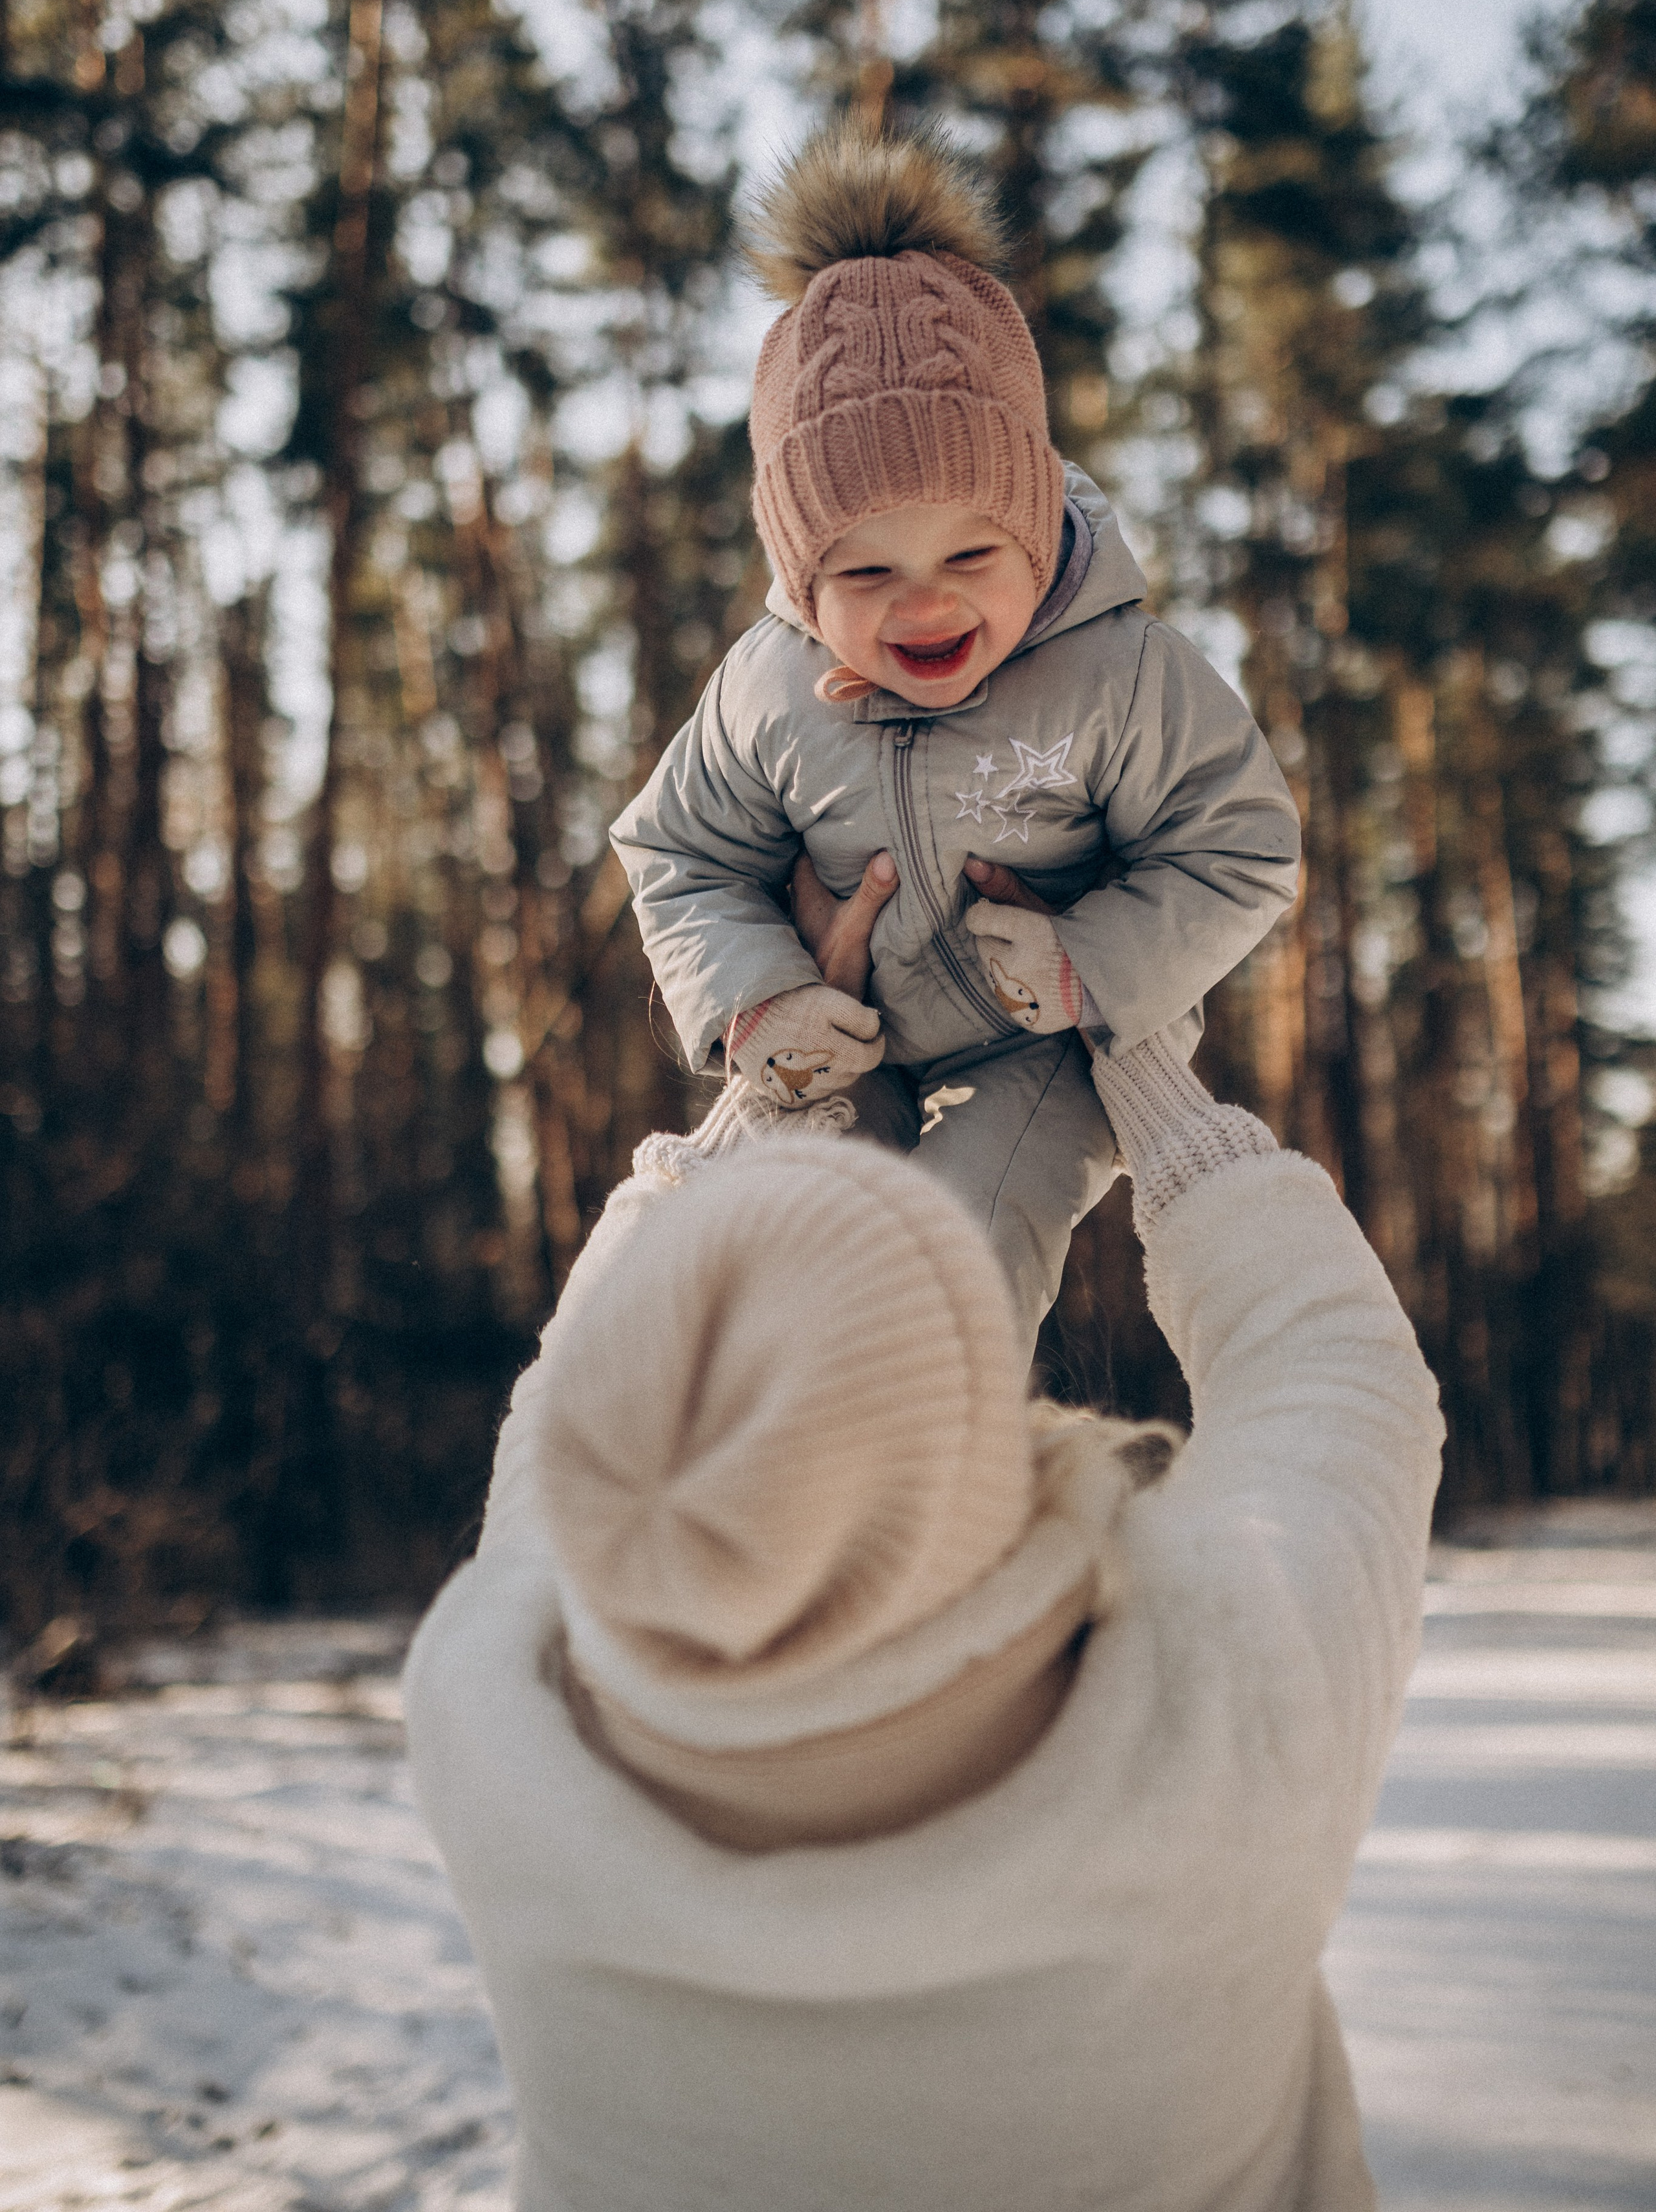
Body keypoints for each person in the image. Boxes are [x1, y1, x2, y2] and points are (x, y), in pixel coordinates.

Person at [403, 868, 1444, 2212]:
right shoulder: (1221, 1700)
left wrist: (781, 1074)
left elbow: (569, 1403)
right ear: (981, 1433)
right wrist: (1126, 1037)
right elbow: (1336, 1370)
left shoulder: (495, 1709)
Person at [610, 118, 1302, 1361]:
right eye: (866, 571)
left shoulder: (1118, 673)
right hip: (844, 1039)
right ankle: (798, 1457)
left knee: (959, 1256)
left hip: (1041, 1048)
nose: (925, 605)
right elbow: (679, 851)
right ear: (801, 578)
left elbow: (1239, 844)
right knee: (782, 1255)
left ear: (1035, 532)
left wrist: (1089, 964)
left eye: (973, 553)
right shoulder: (765, 688)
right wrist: (759, 1001)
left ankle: (944, 1444)